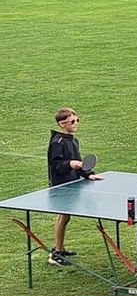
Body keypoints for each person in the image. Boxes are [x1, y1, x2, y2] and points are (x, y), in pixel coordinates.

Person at [47, 107, 103, 266]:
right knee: (64, 216)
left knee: (64, 216)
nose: (76, 123)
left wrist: (88, 174)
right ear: (62, 124)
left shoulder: (73, 140)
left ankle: (59, 248)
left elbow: (79, 161)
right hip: (61, 185)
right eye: (72, 121)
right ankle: (56, 254)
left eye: (77, 120)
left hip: (72, 183)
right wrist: (70, 163)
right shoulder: (57, 142)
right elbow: (56, 165)